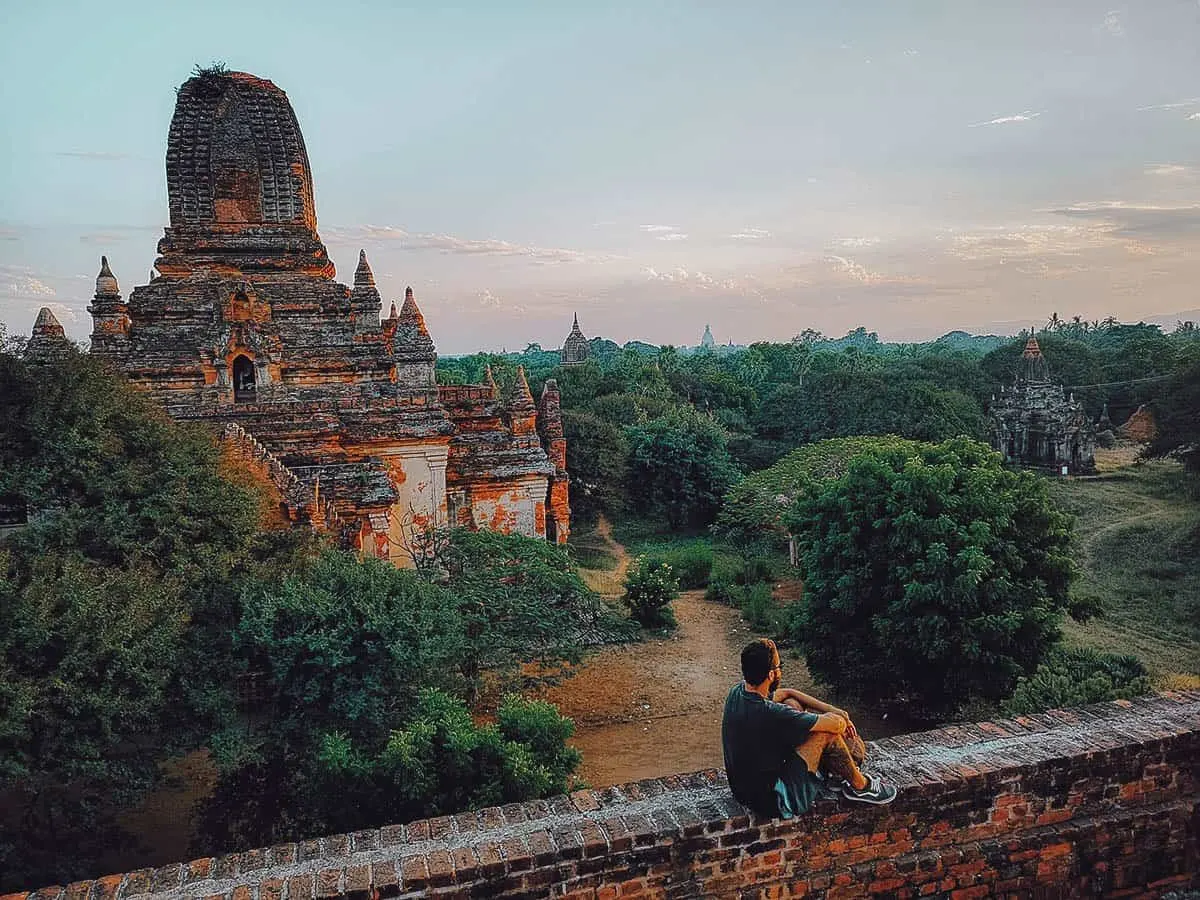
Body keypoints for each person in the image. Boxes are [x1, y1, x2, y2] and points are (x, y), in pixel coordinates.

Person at [721, 638, 896, 817]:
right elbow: (835, 725)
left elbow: (788, 693)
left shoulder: (739, 692)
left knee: (792, 703)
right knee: (825, 734)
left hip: (744, 791)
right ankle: (862, 786)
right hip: (774, 801)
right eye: (779, 666)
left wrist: (831, 709)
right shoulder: (770, 712)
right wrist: (838, 719)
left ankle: (836, 773)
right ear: (771, 675)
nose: (781, 670)